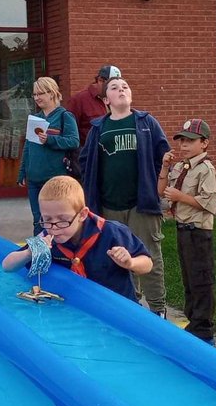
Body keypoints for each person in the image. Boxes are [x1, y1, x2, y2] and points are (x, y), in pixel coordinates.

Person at [78, 77, 170, 316]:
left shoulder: (146, 122)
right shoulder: (99, 128)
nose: (121, 90)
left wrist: (155, 183)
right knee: (120, 257)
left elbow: (163, 155)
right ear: (106, 99)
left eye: (125, 87)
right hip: (109, 207)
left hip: (142, 205)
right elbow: (85, 161)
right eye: (115, 88)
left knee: (150, 256)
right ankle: (132, 306)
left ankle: (158, 309)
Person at [2, 175, 152, 300]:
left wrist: (130, 263)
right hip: (79, 307)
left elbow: (147, 264)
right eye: (47, 219)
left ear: (82, 214)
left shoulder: (112, 232)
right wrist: (31, 252)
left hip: (116, 309)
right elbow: (7, 266)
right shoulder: (47, 236)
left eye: (62, 220)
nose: (54, 227)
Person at [159, 119, 216, 344]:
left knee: (202, 280)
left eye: (190, 141)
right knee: (189, 280)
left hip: (198, 232)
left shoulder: (206, 169)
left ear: (204, 143)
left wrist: (180, 197)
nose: (184, 145)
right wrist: (165, 168)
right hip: (183, 229)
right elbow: (162, 191)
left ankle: (204, 330)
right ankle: (192, 322)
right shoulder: (179, 167)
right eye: (182, 140)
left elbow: (209, 202)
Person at [18, 77, 79, 234]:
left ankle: (58, 253)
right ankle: (41, 255)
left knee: (56, 221)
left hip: (55, 179)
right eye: (35, 94)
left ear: (52, 93)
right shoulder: (35, 118)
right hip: (34, 179)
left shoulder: (65, 116)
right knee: (38, 221)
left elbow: (73, 141)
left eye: (41, 93)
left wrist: (50, 140)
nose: (37, 98)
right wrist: (22, 172)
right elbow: (28, 147)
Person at [64, 64, 122, 145]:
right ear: (100, 80)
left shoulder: (116, 99)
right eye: (113, 85)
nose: (117, 89)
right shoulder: (79, 100)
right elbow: (68, 133)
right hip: (87, 153)